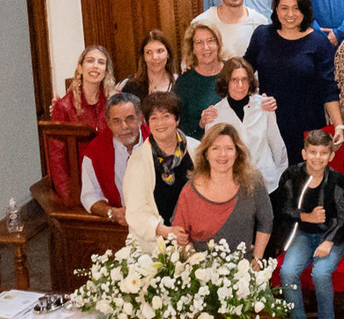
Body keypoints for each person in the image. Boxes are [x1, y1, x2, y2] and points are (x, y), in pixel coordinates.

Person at [274, 128, 344, 319]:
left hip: (332, 237)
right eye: (313, 152)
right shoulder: (291, 176)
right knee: (287, 271)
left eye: (323, 153)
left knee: (320, 272)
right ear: (304, 153)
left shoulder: (337, 180)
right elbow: (283, 209)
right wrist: (305, 217)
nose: (318, 158)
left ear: (331, 156)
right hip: (303, 235)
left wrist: (329, 242)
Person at [245, 0, 342, 165]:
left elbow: (329, 88)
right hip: (270, 122)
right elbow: (243, 74)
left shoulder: (318, 41)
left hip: (308, 126)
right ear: (276, 10)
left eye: (296, 8)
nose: (290, 14)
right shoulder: (261, 35)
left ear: (305, 10)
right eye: (284, 8)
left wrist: (338, 125)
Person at [172, 123, 274, 259]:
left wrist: (257, 258)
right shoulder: (190, 190)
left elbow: (266, 220)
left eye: (229, 148)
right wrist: (196, 267)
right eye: (215, 148)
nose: (223, 154)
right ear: (206, 154)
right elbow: (179, 235)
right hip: (201, 271)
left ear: (237, 153)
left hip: (242, 270)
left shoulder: (253, 183)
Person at [198, 55, 288, 189]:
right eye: (234, 80)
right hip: (233, 187)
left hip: (268, 184)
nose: (240, 86)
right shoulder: (215, 115)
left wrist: (280, 175)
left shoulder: (264, 106)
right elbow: (212, 157)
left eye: (244, 79)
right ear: (226, 82)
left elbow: (277, 145)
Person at [123, 90, 198, 246]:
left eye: (166, 116)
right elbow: (135, 211)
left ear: (177, 119)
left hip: (195, 238)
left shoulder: (197, 150)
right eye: (154, 118)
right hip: (157, 245)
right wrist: (166, 231)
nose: (160, 123)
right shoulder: (138, 160)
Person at [47, 45, 115, 199]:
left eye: (101, 62)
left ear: (106, 70)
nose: (95, 66)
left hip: (113, 181)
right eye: (90, 61)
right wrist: (69, 197)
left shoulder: (115, 100)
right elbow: (58, 158)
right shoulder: (64, 107)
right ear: (80, 68)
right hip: (81, 186)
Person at [80, 90, 144, 224]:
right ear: (108, 123)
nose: (124, 127)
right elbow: (90, 195)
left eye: (130, 118)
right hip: (116, 225)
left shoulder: (156, 143)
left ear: (140, 118)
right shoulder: (95, 152)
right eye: (117, 121)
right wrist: (112, 213)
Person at [175, 21, 227, 141]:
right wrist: (200, 124)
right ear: (192, 49)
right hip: (200, 148)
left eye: (210, 40)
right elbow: (178, 126)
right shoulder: (184, 82)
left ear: (218, 44)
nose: (206, 47)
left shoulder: (233, 71)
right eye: (199, 43)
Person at [121, 30, 176, 102]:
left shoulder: (179, 85)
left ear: (168, 54)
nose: (155, 57)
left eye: (159, 51)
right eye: (149, 52)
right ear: (143, 57)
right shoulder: (131, 88)